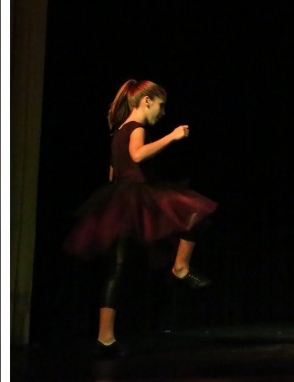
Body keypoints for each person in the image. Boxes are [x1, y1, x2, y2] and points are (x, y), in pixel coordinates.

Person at [64, 79, 217, 357]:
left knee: (116, 268)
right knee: (196, 210)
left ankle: (105, 338)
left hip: (119, 198)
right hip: (133, 197)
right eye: (160, 105)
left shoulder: (118, 131)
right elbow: (137, 154)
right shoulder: (136, 128)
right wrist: (172, 136)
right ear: (146, 101)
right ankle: (180, 268)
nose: (162, 111)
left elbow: (112, 174)